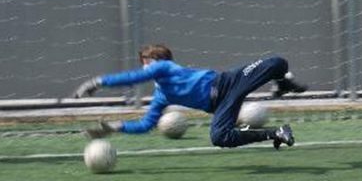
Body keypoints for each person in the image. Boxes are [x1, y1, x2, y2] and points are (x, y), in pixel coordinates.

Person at [72, 44, 307, 150]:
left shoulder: (164, 67)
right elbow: (145, 125)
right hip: (221, 104)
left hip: (227, 82)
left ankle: (283, 84)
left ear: (159, 61)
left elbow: (133, 78)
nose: (145, 67)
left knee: (277, 62)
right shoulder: (161, 95)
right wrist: (114, 127)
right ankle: (276, 133)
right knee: (219, 137)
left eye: (147, 61)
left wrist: (97, 82)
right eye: (143, 62)